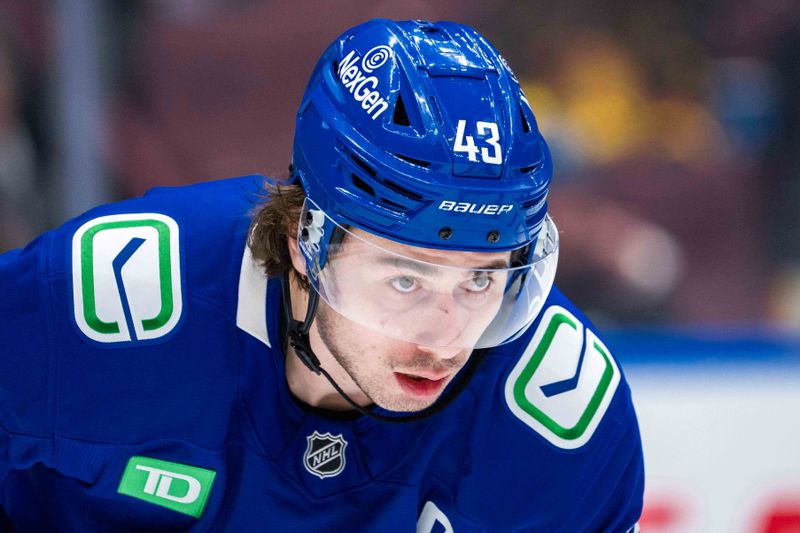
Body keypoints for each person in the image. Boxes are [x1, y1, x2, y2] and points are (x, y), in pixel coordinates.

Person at [0, 19, 643, 531]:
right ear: (302, 241)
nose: (445, 338)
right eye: (405, 280)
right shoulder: (94, 310)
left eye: (480, 281)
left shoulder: (559, 426)